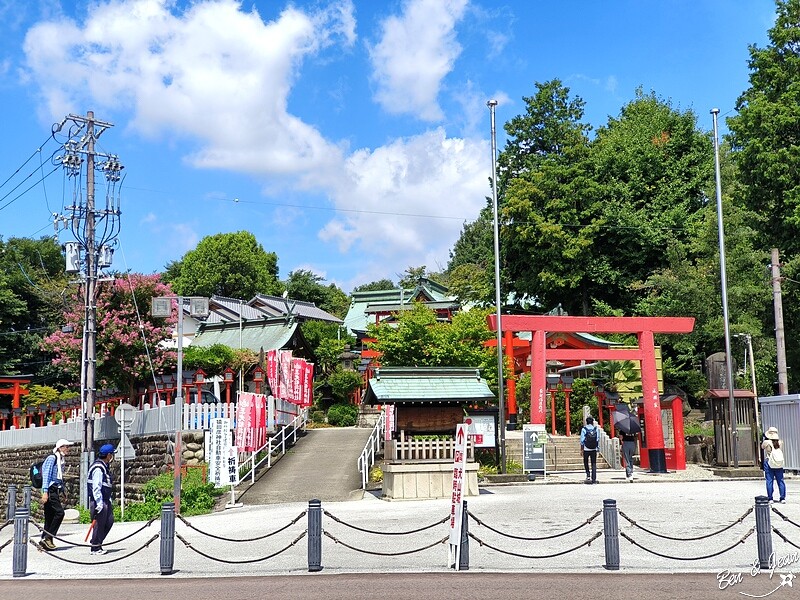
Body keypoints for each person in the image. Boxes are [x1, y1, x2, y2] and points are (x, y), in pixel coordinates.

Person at [40, 438, 73, 550]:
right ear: (60, 447)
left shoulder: (61, 460)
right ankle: (48, 537)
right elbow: (46, 475)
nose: (68, 449)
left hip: (55, 489)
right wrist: (45, 492)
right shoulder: (52, 458)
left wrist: (63, 490)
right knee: (59, 513)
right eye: (66, 447)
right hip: (50, 489)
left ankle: (45, 540)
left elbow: (59, 477)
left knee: (50, 516)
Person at [88, 443, 116, 555]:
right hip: (99, 501)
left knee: (109, 521)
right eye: (112, 454)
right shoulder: (98, 468)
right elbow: (96, 486)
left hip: (105, 500)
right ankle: (95, 547)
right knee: (99, 523)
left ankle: (98, 543)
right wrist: (99, 503)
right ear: (109, 455)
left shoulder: (104, 466)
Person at [762, 426, 786, 504]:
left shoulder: (766, 442)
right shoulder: (780, 442)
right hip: (778, 463)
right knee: (780, 480)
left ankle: (770, 498)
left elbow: (762, 447)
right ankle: (782, 498)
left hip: (769, 462)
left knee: (769, 480)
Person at [580, 416, 599, 484]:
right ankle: (594, 478)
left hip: (586, 448)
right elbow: (597, 439)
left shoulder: (584, 429)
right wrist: (597, 448)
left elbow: (582, 440)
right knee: (593, 463)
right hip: (594, 448)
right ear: (592, 422)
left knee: (585, 461)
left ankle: (588, 474)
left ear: (586, 422)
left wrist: (581, 449)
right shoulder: (595, 429)